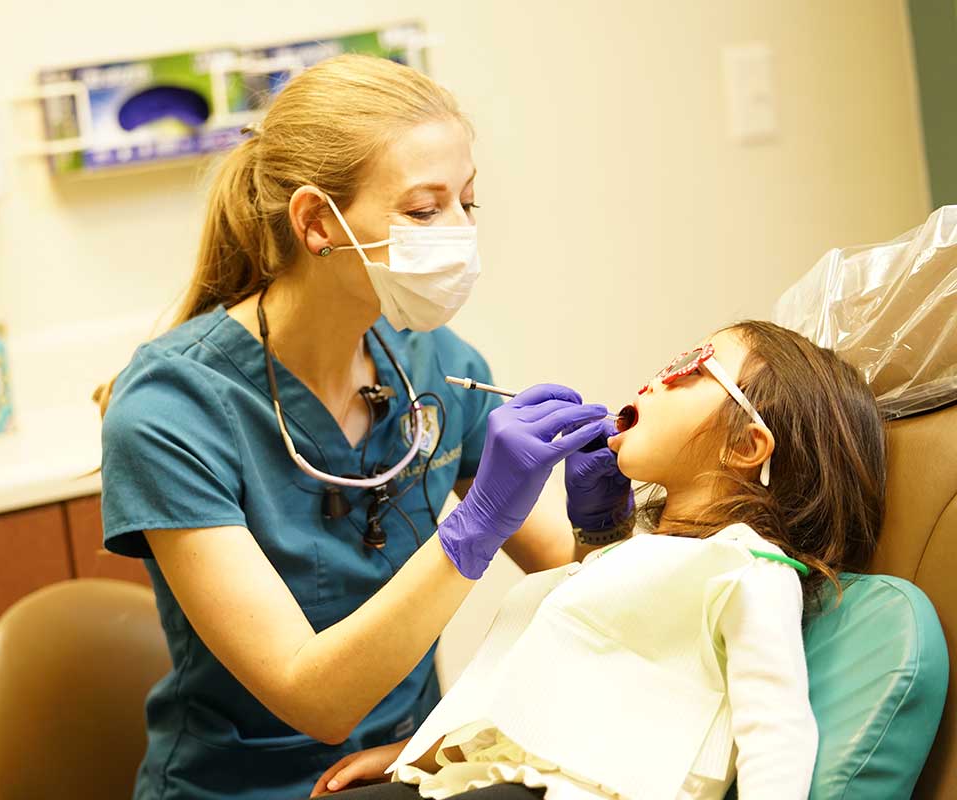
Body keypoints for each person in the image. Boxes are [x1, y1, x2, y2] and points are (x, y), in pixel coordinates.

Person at [96, 54, 632, 800]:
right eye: (422, 211)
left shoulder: (437, 366)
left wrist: (607, 524)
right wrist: (473, 527)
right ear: (317, 223)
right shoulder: (170, 411)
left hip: (409, 775)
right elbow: (313, 697)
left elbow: (580, 591)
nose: (458, 234)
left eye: (466, 204)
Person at [311, 320, 886, 800]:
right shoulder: (630, 558)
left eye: (690, 367)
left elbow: (776, 731)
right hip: (499, 777)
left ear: (745, 446)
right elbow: (545, 687)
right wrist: (418, 759)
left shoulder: (747, 570)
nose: (655, 380)